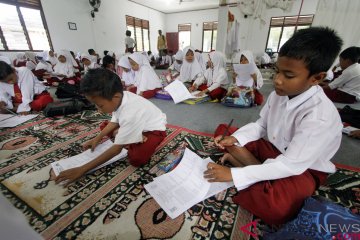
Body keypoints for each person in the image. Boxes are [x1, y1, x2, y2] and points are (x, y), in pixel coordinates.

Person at [204, 27, 343, 225]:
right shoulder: (280, 94)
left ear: (316, 78)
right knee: (224, 133)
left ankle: (245, 168)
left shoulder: (319, 116)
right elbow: (261, 125)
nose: (277, 80)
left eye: (288, 75)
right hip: (275, 151)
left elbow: (289, 165)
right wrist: (236, 139)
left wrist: (233, 175)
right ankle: (258, 175)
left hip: (304, 169)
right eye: (277, 70)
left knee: (278, 208)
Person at [54, 68, 167, 185]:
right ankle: (129, 134)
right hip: (133, 122)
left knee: (137, 159)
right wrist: (97, 138)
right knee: (104, 126)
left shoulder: (130, 112)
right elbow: (115, 120)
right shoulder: (120, 97)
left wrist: (82, 169)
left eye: (100, 105)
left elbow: (116, 150)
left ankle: (132, 136)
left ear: (116, 97)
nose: (98, 110)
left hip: (153, 130)